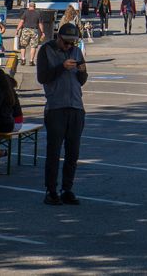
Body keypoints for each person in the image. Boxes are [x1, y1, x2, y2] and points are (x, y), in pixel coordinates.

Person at [37, 22, 87, 205]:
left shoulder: (76, 51)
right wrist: (61, 67)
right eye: (66, 43)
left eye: (72, 43)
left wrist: (82, 72)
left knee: (73, 152)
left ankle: (67, 189)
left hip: (76, 106)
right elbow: (42, 77)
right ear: (58, 38)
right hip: (56, 106)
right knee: (54, 151)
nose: (69, 46)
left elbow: (82, 80)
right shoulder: (46, 51)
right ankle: (51, 191)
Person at [15, 0, 43, 65]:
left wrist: (17, 29)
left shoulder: (25, 13)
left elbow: (21, 22)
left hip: (25, 30)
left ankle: (23, 59)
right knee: (33, 46)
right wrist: (42, 32)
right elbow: (40, 24)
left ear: (29, 6)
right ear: (34, 6)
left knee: (23, 45)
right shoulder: (38, 13)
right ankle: (31, 60)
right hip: (34, 30)